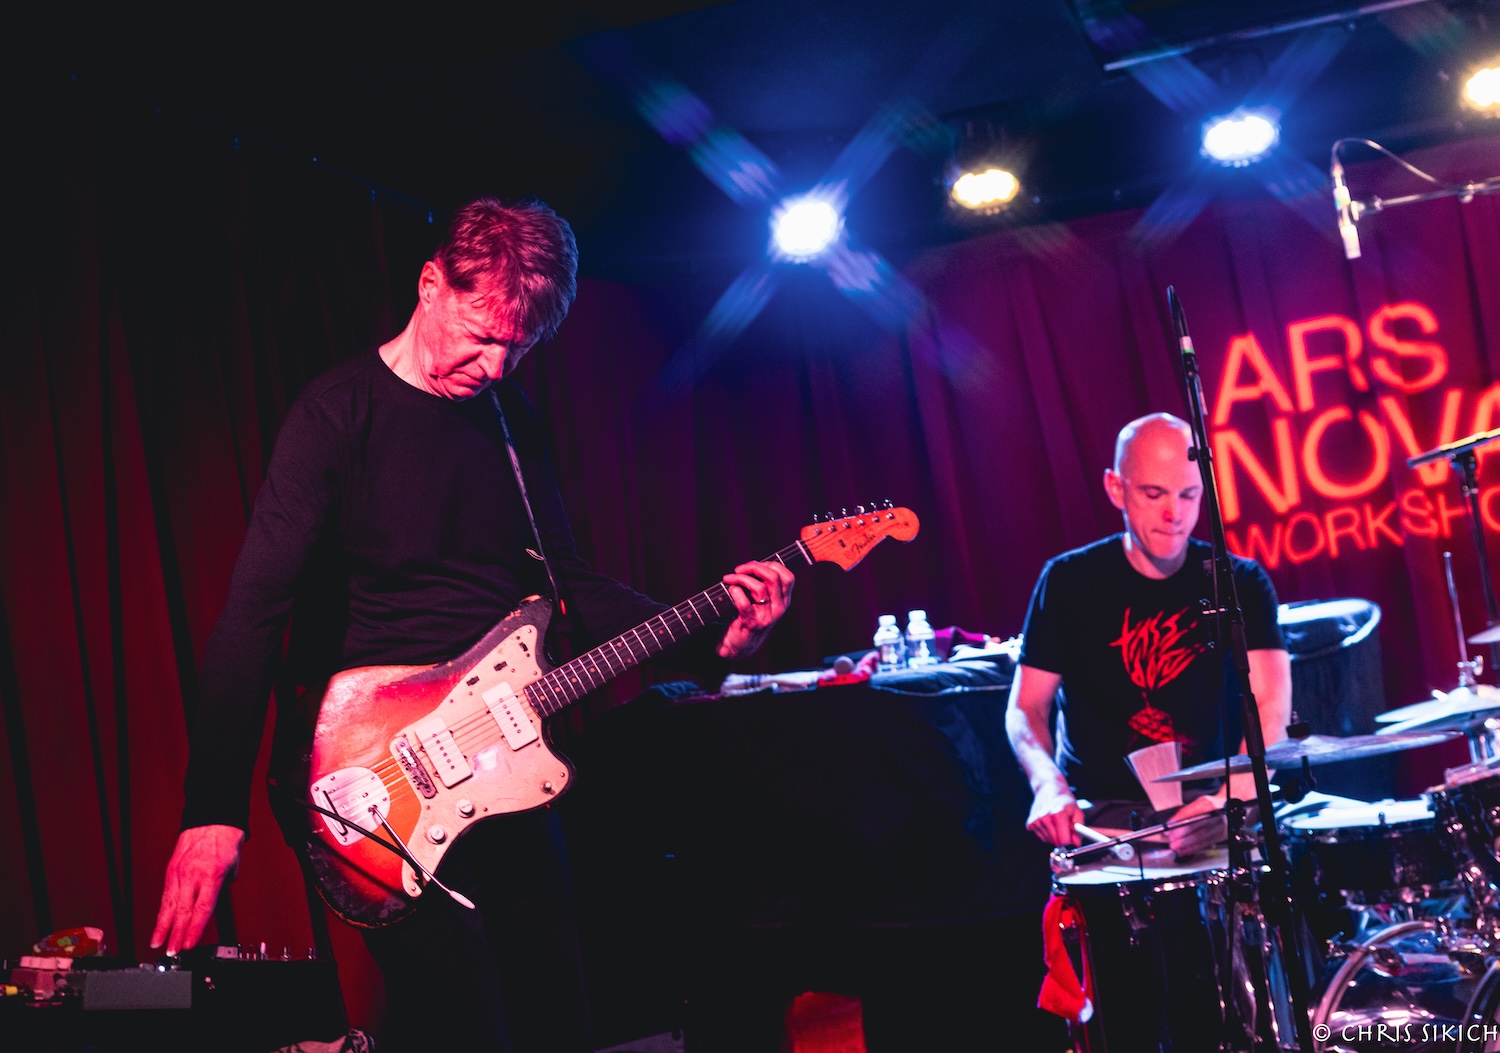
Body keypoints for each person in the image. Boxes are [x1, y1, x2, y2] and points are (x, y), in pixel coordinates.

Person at [149, 197, 795, 1051]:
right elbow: (251, 615)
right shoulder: (335, 415)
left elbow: (567, 585)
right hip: (371, 775)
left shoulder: (509, 419)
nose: (494, 365)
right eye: (482, 336)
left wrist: (717, 635)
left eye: (517, 349)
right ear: (430, 286)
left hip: (502, 757)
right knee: (463, 1023)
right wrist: (210, 810)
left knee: (556, 1017)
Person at [1005, 412, 1291, 858]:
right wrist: (1048, 786)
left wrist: (1225, 805)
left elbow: (1271, 710)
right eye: (1154, 494)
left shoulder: (1241, 582)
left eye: (1188, 495)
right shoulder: (1067, 581)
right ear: (1116, 488)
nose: (1173, 514)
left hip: (1214, 806)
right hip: (1104, 820)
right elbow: (1027, 708)